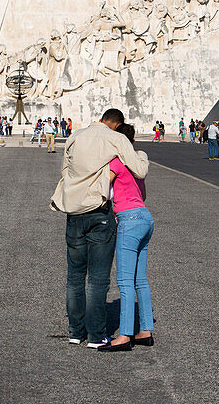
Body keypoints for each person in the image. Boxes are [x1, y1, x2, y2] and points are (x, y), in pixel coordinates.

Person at [51, 107, 149, 349]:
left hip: (73, 211)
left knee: (74, 277)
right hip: (99, 212)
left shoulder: (74, 136)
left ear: (101, 119)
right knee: (97, 278)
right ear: (117, 124)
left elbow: (65, 171)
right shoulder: (115, 138)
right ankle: (95, 336)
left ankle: (75, 332)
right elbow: (140, 169)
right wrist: (141, 156)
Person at [99, 123, 154, 353]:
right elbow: (142, 194)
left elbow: (102, 187)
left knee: (124, 281)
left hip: (128, 220)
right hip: (145, 218)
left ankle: (124, 335)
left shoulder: (116, 162)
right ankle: (146, 331)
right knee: (140, 279)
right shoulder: (137, 162)